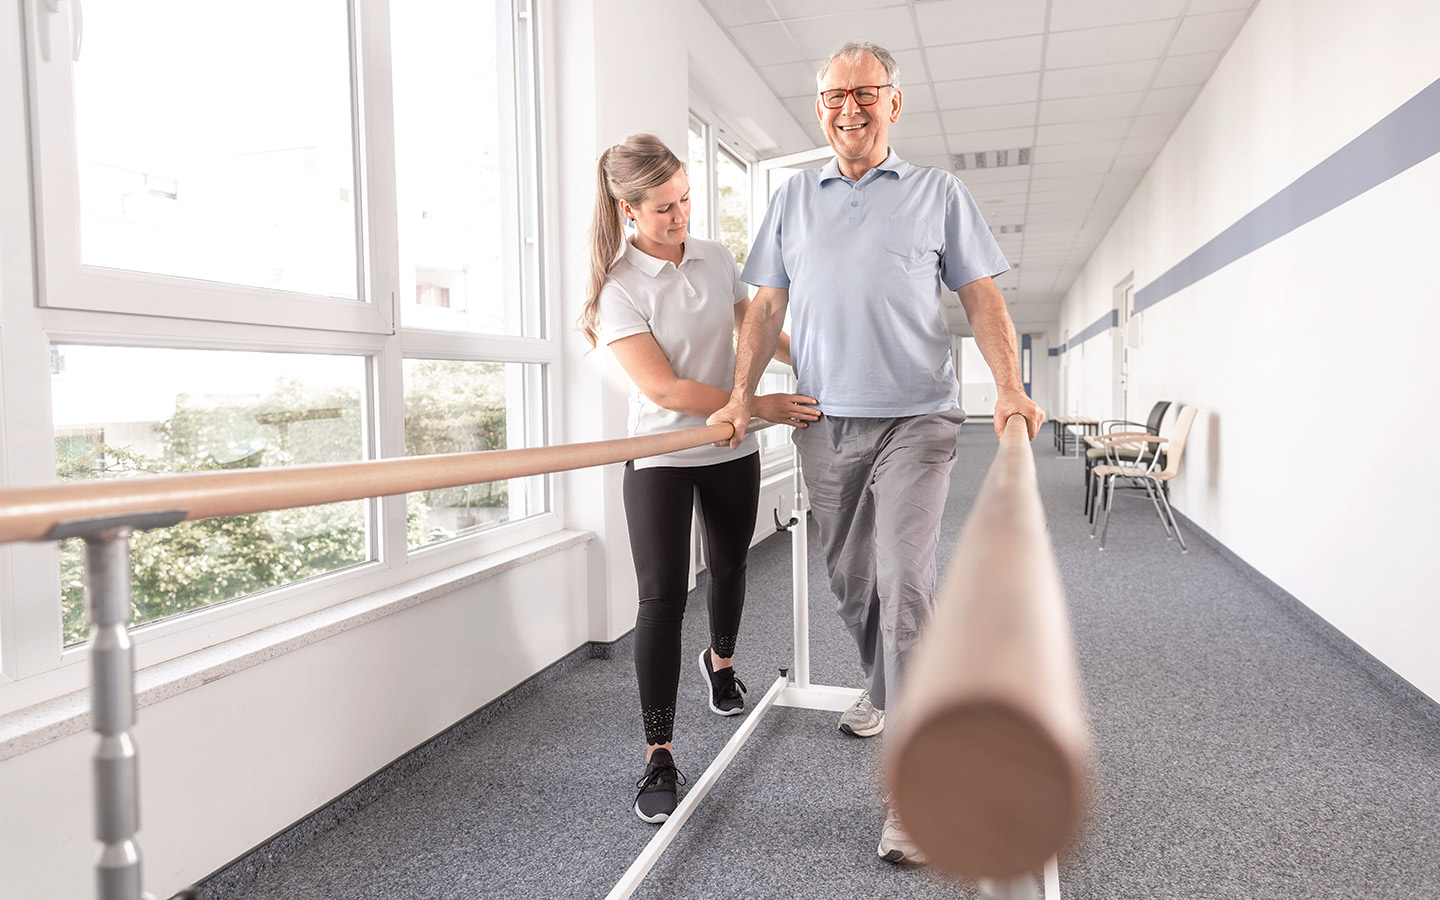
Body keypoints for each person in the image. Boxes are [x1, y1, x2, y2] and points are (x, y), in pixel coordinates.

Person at [708, 43, 1045, 864]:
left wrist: (1008, 386)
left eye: (865, 93)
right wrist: (739, 395)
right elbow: (763, 307)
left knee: (902, 585)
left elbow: (982, 296)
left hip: (917, 421)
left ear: (895, 104)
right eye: (832, 96)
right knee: (852, 584)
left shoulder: (938, 193)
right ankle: (891, 687)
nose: (848, 108)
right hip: (825, 422)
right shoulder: (792, 196)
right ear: (818, 106)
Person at [578, 133, 820, 824]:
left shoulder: (714, 257)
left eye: (685, 200)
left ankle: (721, 664)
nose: (681, 216)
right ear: (629, 211)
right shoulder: (618, 288)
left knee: (730, 564)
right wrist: (756, 404)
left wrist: (804, 361)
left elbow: (751, 323)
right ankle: (659, 751)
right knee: (660, 600)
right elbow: (666, 386)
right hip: (660, 451)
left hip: (728, 448)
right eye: (663, 209)